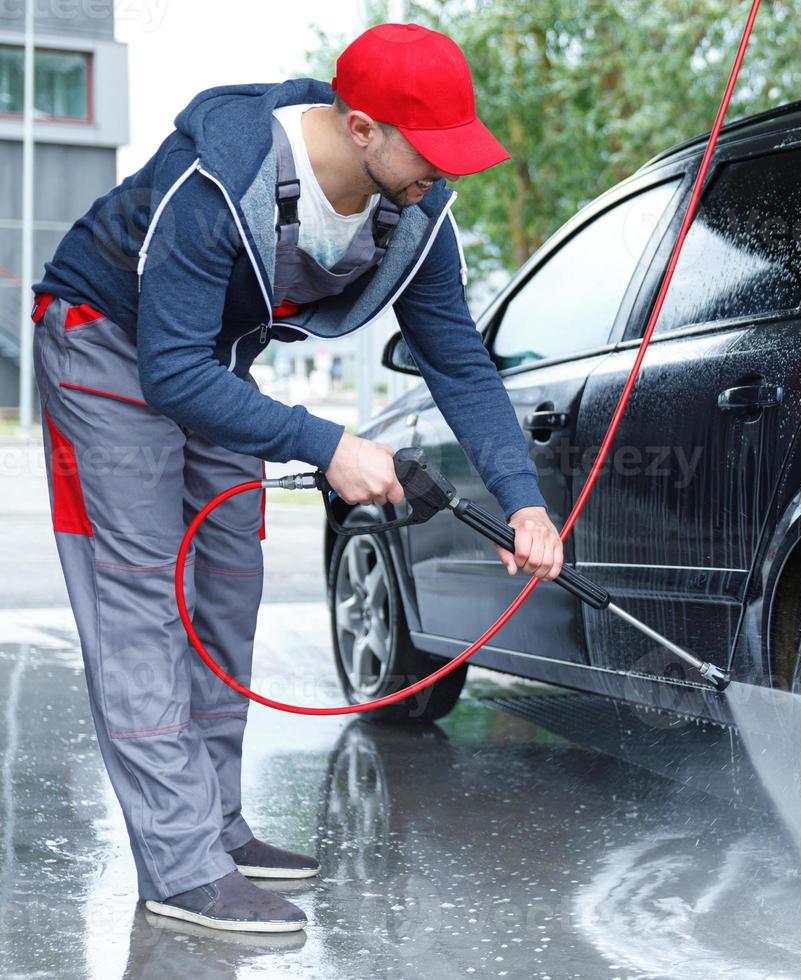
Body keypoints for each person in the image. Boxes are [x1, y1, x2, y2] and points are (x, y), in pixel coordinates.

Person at [30, 22, 563, 933]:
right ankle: (181, 866)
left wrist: (524, 503)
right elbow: (168, 372)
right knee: (142, 601)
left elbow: (460, 364)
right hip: (105, 344)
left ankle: (218, 829)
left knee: (229, 583)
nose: (450, 173)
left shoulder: (415, 210)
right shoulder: (217, 184)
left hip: (212, 361)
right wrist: (330, 445)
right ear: (361, 129)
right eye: (430, 151)